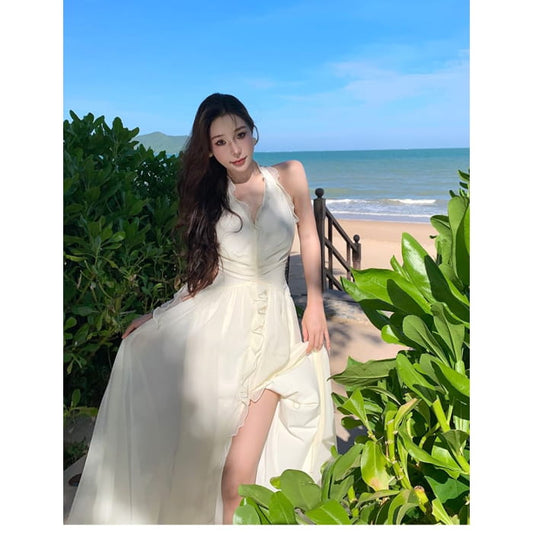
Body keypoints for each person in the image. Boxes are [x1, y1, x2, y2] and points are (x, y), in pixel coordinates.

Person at [67, 93, 336, 525]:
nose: (235, 149)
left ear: (253, 131)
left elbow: (309, 235)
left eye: (241, 135)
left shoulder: (290, 175)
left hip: (275, 335)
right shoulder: (210, 198)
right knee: (202, 461)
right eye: (221, 142)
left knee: (236, 477)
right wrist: (157, 317)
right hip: (220, 335)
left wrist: (316, 303)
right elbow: (206, 276)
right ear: (209, 150)